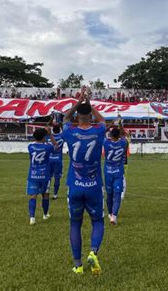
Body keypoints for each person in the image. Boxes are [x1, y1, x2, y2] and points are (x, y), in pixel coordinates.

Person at [62, 87, 106, 275]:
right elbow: (103, 120)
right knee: (98, 222)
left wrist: (79, 100)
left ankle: (78, 264)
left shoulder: (70, 131)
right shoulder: (99, 130)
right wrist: (89, 101)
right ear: (91, 117)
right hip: (94, 185)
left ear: (77, 117)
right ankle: (93, 252)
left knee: (75, 224)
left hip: (75, 186)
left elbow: (64, 118)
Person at [27, 127, 57, 225]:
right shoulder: (48, 147)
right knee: (45, 195)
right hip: (45, 175)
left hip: (33, 175)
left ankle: (32, 217)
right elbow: (56, 147)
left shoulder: (30, 146)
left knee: (33, 196)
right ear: (44, 137)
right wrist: (50, 134)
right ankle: (45, 214)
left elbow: (37, 142)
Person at [103, 125, 127, 225]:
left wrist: (109, 125)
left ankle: (110, 213)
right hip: (118, 172)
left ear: (110, 135)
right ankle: (114, 216)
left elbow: (102, 133)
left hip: (108, 172)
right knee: (117, 194)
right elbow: (123, 135)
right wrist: (120, 125)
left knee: (109, 194)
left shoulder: (106, 143)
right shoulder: (123, 143)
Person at [48, 124, 64, 200]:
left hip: (49, 159)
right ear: (60, 129)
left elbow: (47, 127)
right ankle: (55, 194)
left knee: (48, 177)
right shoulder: (62, 136)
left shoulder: (49, 136)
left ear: (52, 129)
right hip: (58, 159)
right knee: (57, 178)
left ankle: (46, 191)